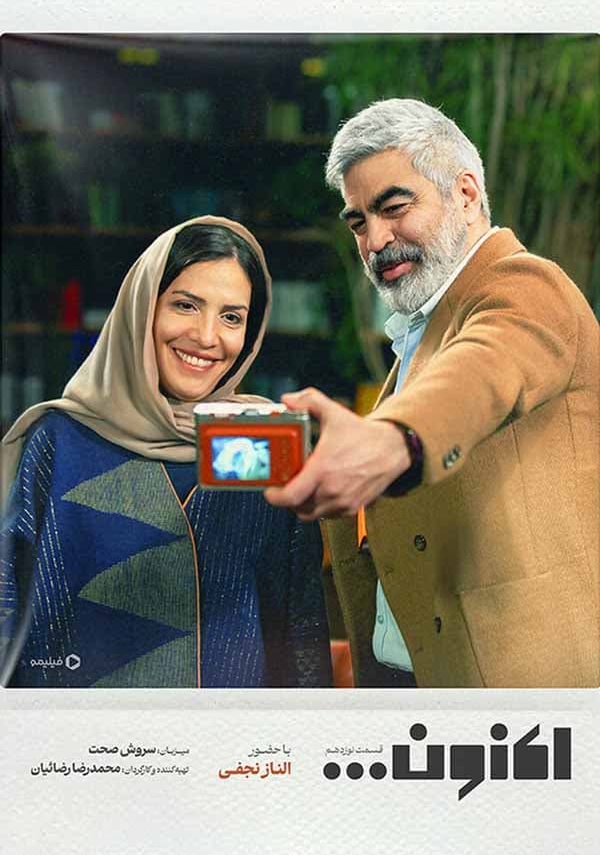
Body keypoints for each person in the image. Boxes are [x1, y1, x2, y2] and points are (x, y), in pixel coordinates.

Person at [265, 99, 599, 689]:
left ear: (465, 195)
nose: (375, 240)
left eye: (394, 208)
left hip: (514, 705)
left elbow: (482, 372)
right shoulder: (425, 327)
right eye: (358, 222)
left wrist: (393, 441)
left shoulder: (527, 286)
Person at [0, 215, 332, 688]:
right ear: (142, 309)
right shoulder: (61, 441)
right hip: (84, 732)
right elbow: (9, 616)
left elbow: (298, 633)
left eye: (232, 317)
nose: (207, 337)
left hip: (230, 733)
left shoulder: (263, 441)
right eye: (185, 305)